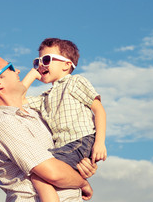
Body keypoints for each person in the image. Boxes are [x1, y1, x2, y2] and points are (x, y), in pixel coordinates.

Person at [0, 51, 97, 202]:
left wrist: (81, 164)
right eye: (10, 67)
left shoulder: (34, 113)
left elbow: (63, 158)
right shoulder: (3, 124)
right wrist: (82, 183)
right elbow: (53, 173)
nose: (18, 71)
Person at [22, 38, 107, 202]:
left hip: (81, 140)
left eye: (46, 59)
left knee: (41, 171)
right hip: (66, 146)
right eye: (37, 61)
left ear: (66, 65)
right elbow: (15, 100)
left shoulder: (75, 82)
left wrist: (100, 142)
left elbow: (99, 109)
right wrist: (32, 75)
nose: (41, 65)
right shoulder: (45, 98)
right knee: (42, 173)